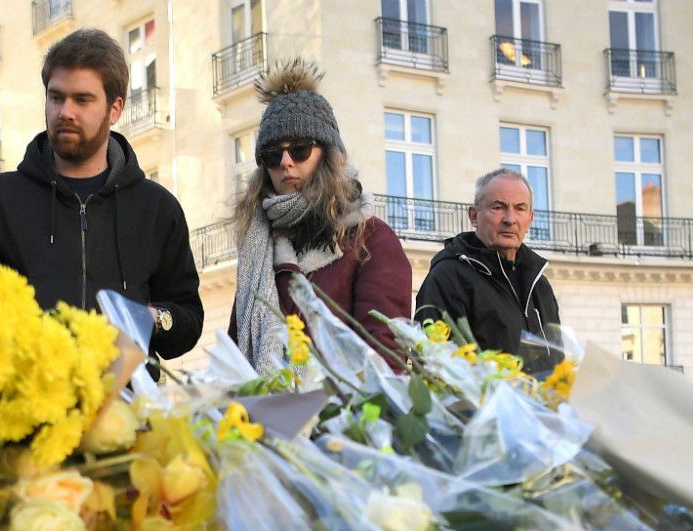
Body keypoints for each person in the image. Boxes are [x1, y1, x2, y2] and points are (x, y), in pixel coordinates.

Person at [0, 28, 202, 363]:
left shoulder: (157, 208)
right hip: (21, 406)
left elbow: (188, 321)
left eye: (82, 99)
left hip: (125, 407)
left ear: (115, 109)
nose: (66, 111)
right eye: (56, 97)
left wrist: (150, 318)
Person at [227, 60, 411, 372]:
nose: (285, 162)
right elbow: (234, 356)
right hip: (264, 416)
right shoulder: (257, 247)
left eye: (299, 150)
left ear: (328, 155)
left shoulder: (371, 239)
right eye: (272, 155)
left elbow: (383, 353)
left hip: (342, 415)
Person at [414, 167, 563, 374]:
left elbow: (557, 360)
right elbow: (433, 365)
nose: (510, 219)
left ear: (530, 219)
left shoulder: (540, 284)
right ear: (474, 216)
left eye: (520, 209)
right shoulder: (448, 277)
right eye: (498, 207)